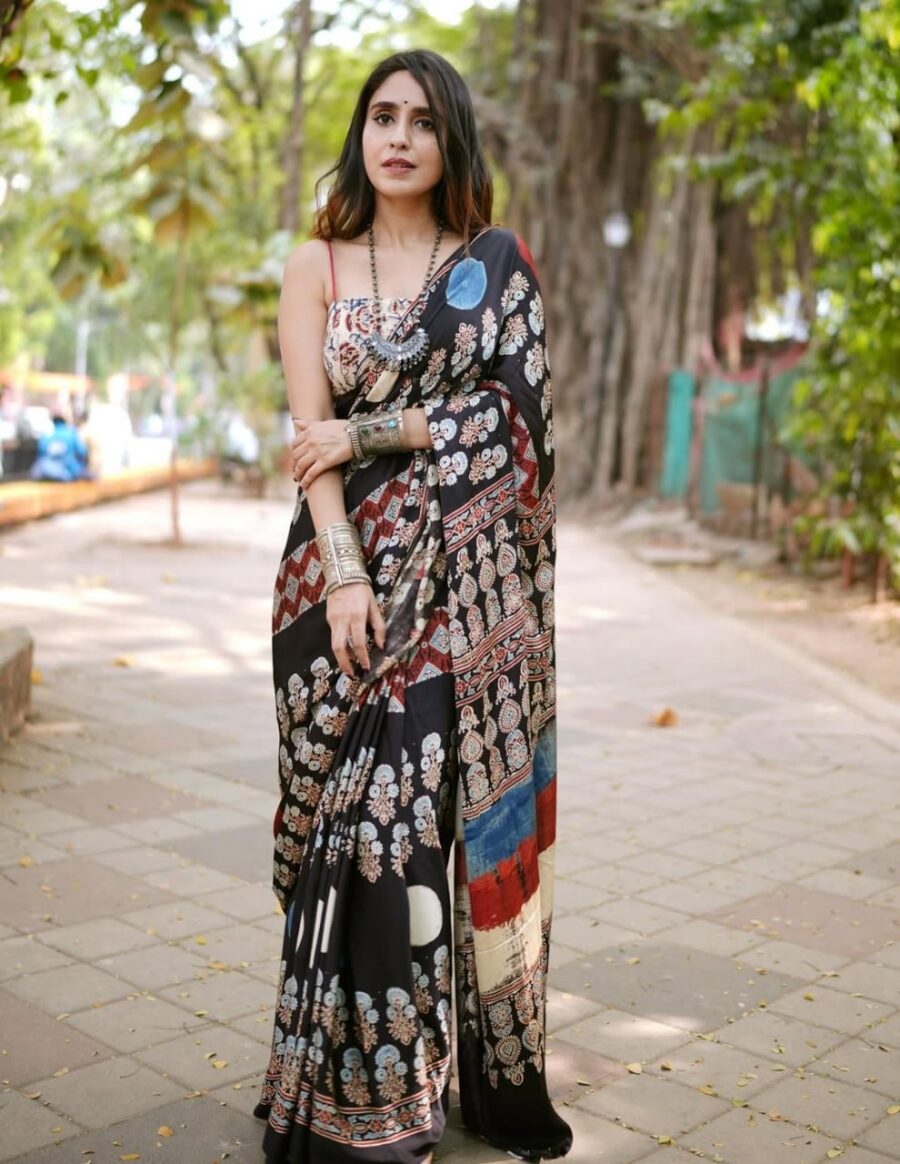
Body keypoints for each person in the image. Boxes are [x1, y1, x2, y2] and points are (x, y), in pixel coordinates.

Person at [255, 49, 571, 1164]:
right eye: (382, 116)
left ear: (452, 143)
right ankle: (329, 1089)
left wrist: (372, 428)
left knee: (406, 837)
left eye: (423, 122)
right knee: (336, 838)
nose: (399, 137)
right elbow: (312, 446)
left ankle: (401, 1108)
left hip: (455, 596)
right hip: (334, 587)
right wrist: (345, 573)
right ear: (361, 133)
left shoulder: (492, 271)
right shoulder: (316, 265)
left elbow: (516, 419)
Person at [29, 412, 91, 482]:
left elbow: (40, 456)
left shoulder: (45, 436)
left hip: (45, 472)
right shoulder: (71, 434)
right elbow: (82, 452)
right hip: (67, 473)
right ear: (65, 422)